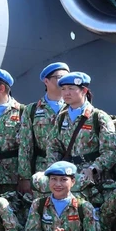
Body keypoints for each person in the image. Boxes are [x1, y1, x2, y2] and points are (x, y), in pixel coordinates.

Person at [46, 72, 116, 231]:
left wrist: (94, 168)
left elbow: (112, 150)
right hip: (70, 180)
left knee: (103, 227)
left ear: (84, 91)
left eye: (71, 89)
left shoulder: (98, 117)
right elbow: (53, 146)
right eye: (63, 89)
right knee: (74, 227)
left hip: (96, 183)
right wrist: (56, 171)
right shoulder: (61, 118)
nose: (66, 93)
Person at [18, 63, 69, 194]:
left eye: (67, 77)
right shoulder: (32, 110)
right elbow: (25, 144)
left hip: (70, 168)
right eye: (60, 77)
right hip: (43, 170)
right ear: (46, 81)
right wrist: (25, 177)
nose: (65, 81)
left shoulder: (74, 107)